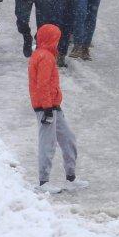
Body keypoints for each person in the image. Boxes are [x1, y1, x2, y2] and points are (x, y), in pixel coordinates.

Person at [28, 23, 85, 193]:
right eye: (57, 39)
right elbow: (43, 85)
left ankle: (71, 177)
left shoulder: (43, 55)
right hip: (47, 107)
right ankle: (43, 182)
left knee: (68, 139)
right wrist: (47, 109)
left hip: (53, 106)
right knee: (48, 143)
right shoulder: (45, 57)